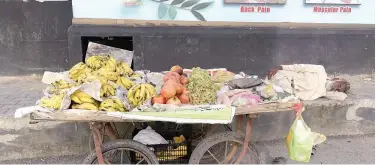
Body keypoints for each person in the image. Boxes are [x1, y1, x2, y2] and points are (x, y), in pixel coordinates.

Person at [267, 64, 350, 101]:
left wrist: (339, 91)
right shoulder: (320, 70)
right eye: (339, 85)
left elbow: (342, 97)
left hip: (285, 94)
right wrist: (280, 67)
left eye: (338, 90)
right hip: (282, 79)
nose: (336, 88)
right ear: (336, 78)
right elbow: (299, 67)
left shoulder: (323, 93)